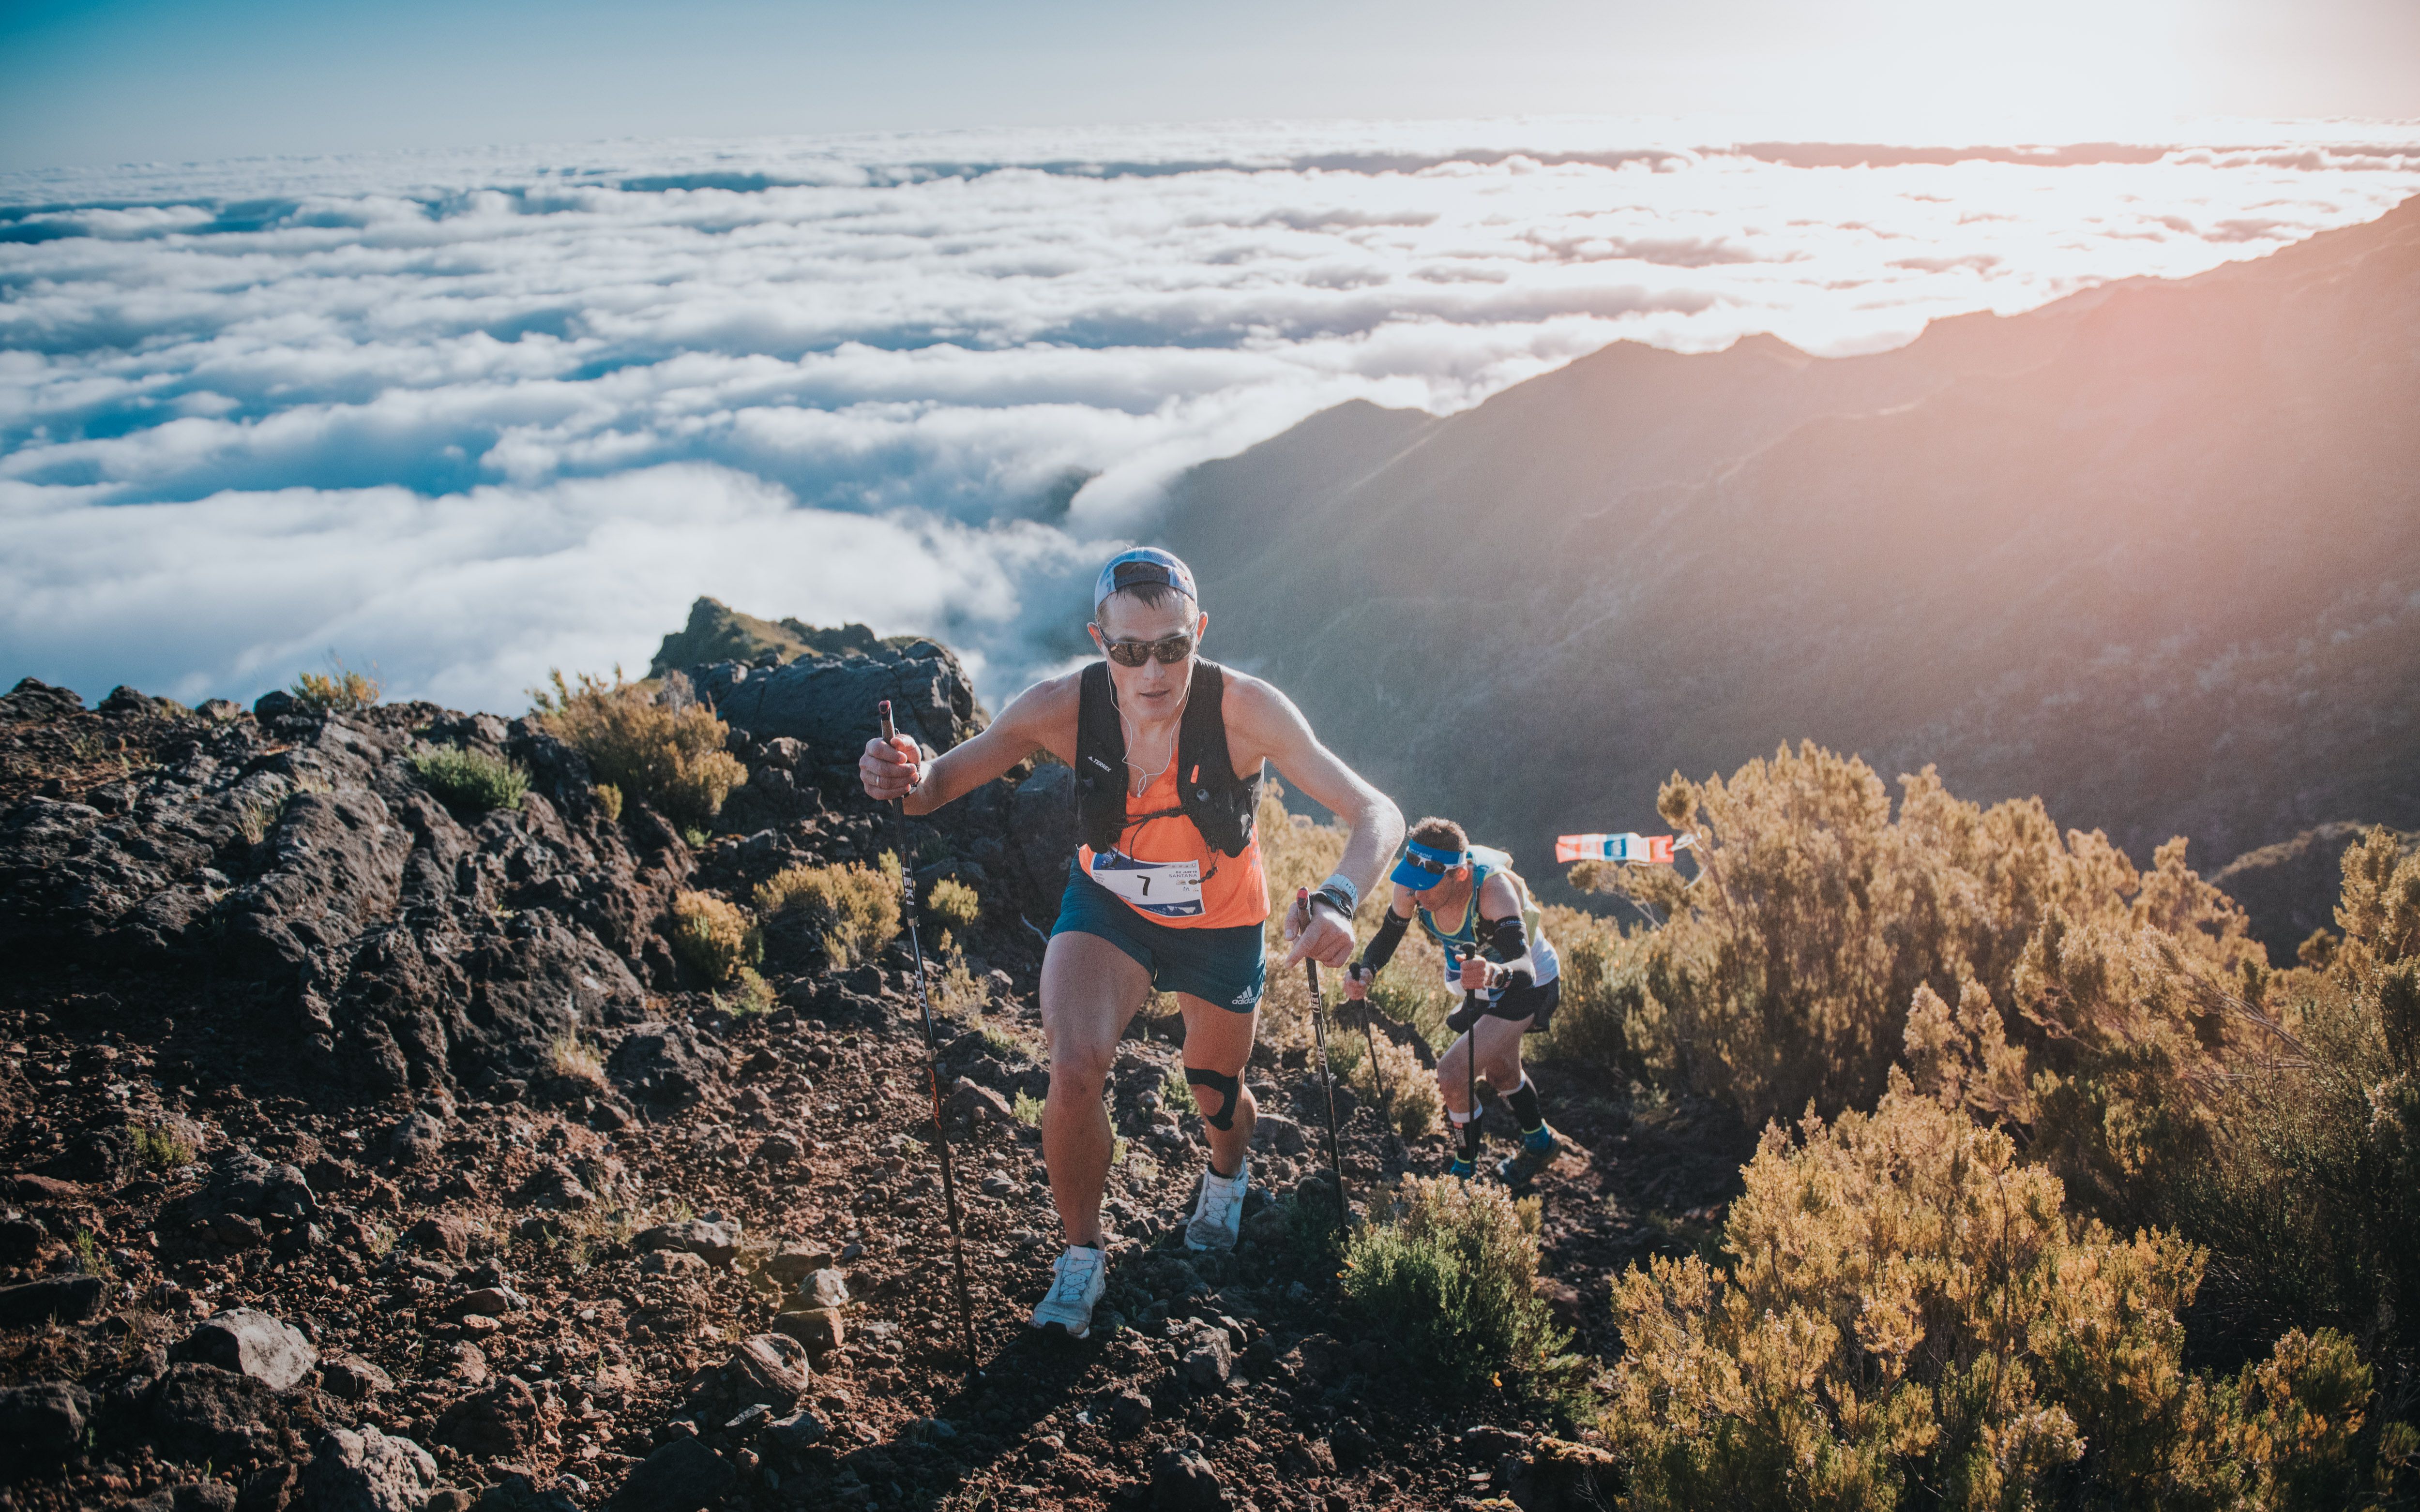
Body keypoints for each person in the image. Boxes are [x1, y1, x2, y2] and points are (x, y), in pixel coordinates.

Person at [860, 547, 1403, 1338]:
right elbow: (938, 786)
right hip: (1109, 906)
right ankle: (1081, 1257)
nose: (1153, 670)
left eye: (1174, 647)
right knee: (1074, 1068)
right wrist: (899, 773)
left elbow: (1375, 810)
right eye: (1129, 651)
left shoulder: (1245, 709)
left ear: (1201, 633)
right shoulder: (1059, 708)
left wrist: (1339, 896)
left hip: (1222, 920)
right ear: (1099, 643)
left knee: (1215, 1086)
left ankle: (1227, 1174)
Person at [1344, 817, 1561, 1183]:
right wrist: (1367, 971)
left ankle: (1463, 1175)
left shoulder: (1493, 894)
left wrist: (1495, 974)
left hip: (1528, 982)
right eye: (1412, 882)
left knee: (1453, 1073)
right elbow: (1387, 936)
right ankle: (1540, 1143)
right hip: (1480, 978)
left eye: (1428, 885)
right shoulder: (1412, 883)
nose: (1417, 893)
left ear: (1459, 875)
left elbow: (1524, 967)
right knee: (1502, 1072)